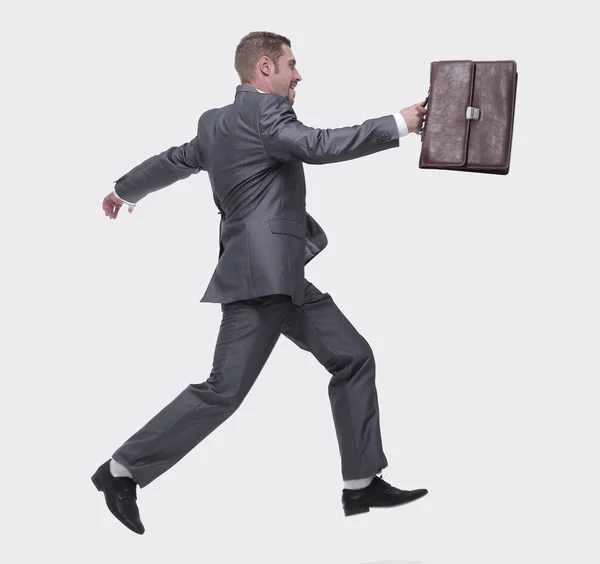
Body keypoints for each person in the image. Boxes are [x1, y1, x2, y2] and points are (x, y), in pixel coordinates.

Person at [93, 31, 428, 534]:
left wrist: (123, 188)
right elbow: (317, 145)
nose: (299, 75)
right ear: (265, 69)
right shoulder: (267, 114)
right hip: (260, 279)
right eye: (292, 64)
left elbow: (175, 160)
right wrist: (398, 123)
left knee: (353, 355)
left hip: (282, 275)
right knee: (223, 391)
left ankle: (361, 483)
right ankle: (121, 471)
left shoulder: (216, 122)